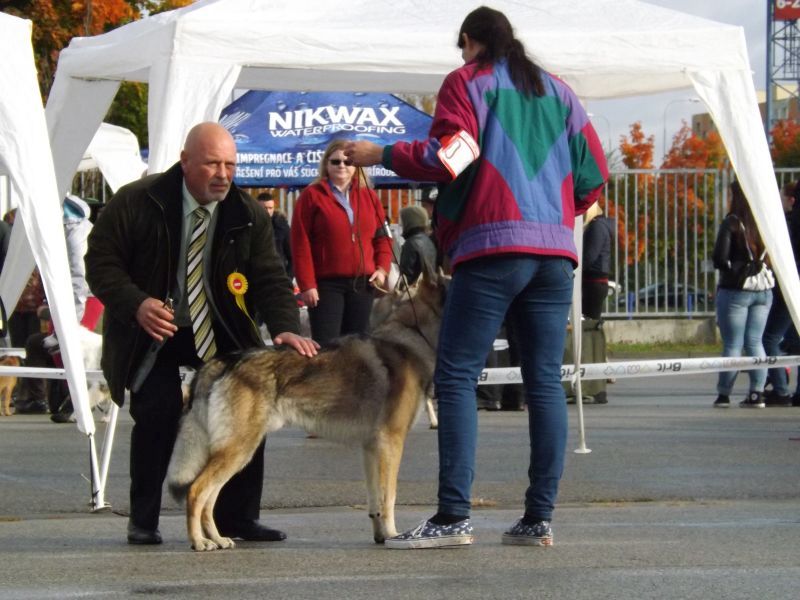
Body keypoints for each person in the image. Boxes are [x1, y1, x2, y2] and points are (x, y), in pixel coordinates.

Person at [345, 6, 608, 548]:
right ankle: (538, 519)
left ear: (470, 42)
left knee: (459, 376)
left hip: (490, 246)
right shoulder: (560, 92)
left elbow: (452, 157)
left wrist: (383, 152)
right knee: (543, 383)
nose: (459, 56)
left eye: (460, 47)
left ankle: (453, 517)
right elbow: (592, 178)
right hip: (555, 253)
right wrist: (556, 213)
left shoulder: (466, 83)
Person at [85, 122, 318, 546]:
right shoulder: (138, 201)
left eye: (230, 164)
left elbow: (268, 275)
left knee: (250, 413)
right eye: (212, 163)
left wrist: (284, 327)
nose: (223, 174)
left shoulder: (247, 213)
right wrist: (137, 303)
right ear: (185, 160)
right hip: (151, 330)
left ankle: (238, 519)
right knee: (156, 414)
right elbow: (101, 263)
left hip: (221, 329)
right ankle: (144, 519)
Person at [290, 139, 392, 345]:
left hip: (363, 283)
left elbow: (383, 237)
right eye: (336, 162)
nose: (342, 166)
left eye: (348, 162)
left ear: (356, 166)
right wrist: (307, 284)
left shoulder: (370, 197)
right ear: (326, 164)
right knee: (328, 349)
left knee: (359, 349)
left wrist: (382, 269)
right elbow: (300, 244)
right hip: (326, 286)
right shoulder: (311, 196)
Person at [712, 180, 774, 409]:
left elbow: (719, 258)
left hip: (736, 290)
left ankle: (724, 394)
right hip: (764, 290)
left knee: (732, 344)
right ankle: (757, 393)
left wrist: (733, 269)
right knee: (756, 342)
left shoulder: (733, 222)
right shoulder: (765, 221)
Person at [760, 181, 800, 407]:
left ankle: (781, 389)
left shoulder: (789, 224)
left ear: (791, 200)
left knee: (770, 338)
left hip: (790, 287)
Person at [257, 191, 293, 280]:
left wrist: (287, 278)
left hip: (278, 276)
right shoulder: (249, 225)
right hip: (255, 277)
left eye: (270, 208)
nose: (267, 211)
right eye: (264, 208)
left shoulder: (282, 226)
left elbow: (292, 256)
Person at [398, 205, 437, 286]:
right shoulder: (429, 241)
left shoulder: (410, 244)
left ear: (409, 222)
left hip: (413, 293)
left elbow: (406, 277)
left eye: (403, 221)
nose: (401, 225)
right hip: (427, 290)